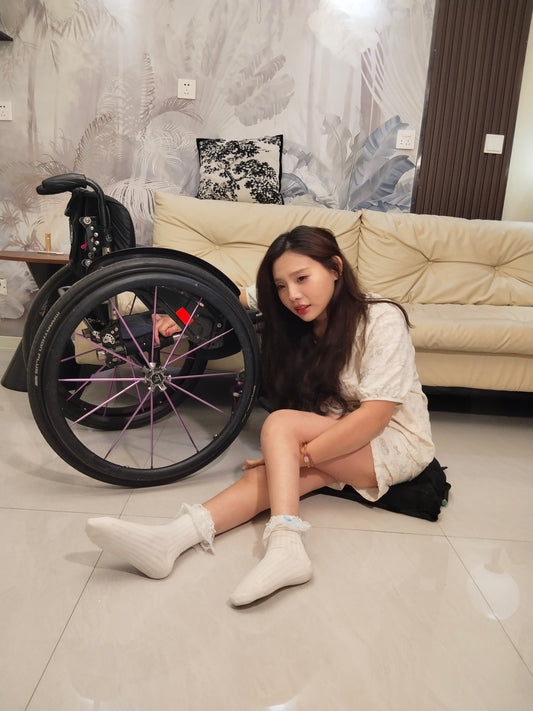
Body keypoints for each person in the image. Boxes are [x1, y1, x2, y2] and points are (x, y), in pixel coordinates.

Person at [86, 225, 435, 606]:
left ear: (335, 268)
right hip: (335, 430)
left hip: (390, 439)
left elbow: (375, 418)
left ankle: (287, 546)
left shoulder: (381, 319)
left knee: (280, 426)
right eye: (282, 286)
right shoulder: (289, 306)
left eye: (302, 278)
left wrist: (299, 455)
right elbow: (223, 297)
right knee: (274, 474)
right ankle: (169, 540)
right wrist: (183, 316)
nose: (293, 295)